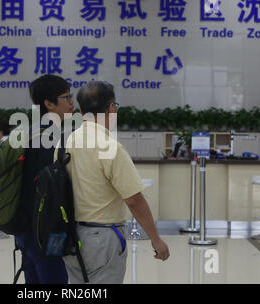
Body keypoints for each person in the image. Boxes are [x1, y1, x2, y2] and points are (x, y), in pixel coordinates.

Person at [60, 81, 170, 284]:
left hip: (70, 236)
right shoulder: (110, 147)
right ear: (111, 108)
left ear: (82, 110)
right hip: (103, 238)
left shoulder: (65, 142)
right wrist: (155, 239)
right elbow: (134, 199)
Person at [15, 74, 74, 284]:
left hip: (24, 228)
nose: (71, 103)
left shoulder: (29, 133)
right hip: (46, 230)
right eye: (66, 97)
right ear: (49, 103)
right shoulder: (57, 138)